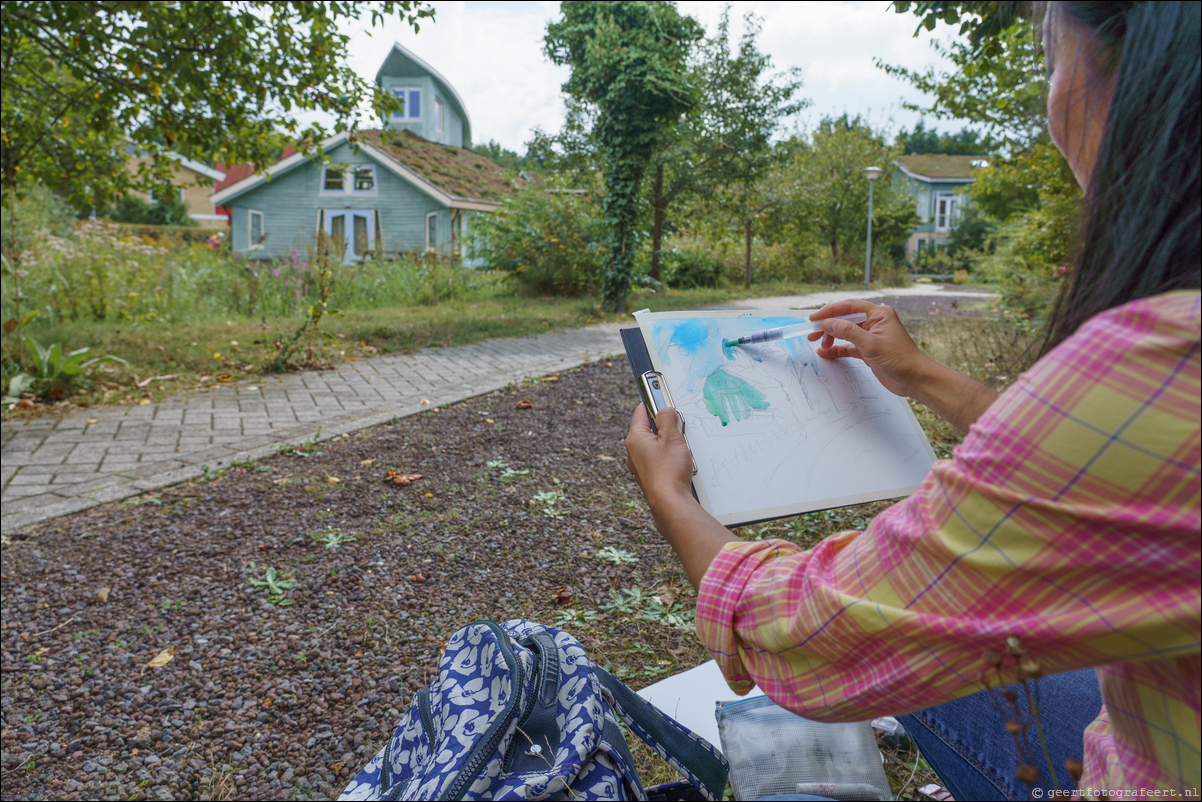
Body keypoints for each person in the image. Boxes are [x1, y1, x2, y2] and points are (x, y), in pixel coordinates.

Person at [624, 2, 1200, 799]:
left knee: (920, 640)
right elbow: (1117, 470)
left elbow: (818, 639)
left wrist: (670, 494)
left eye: (1049, 54)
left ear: (1139, 73)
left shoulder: (1158, 359)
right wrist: (923, 373)